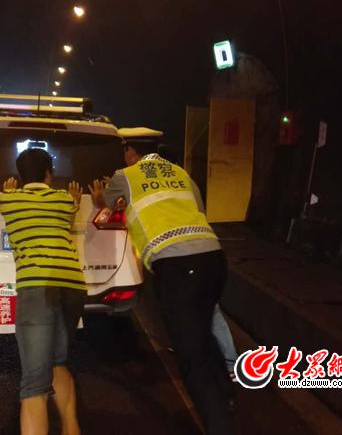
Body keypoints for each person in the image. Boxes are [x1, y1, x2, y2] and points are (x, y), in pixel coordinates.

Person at [89, 129, 235, 435]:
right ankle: (226, 395)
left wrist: (98, 196)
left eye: (125, 151)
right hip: (214, 259)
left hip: (177, 267)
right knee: (203, 332)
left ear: (130, 152)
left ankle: (219, 424)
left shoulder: (126, 175)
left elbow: (107, 202)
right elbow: (198, 210)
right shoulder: (180, 173)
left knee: (191, 355)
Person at [0, 148, 85, 435]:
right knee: (58, 362)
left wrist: (9, 190)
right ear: (49, 174)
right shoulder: (63, 199)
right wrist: (74, 200)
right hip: (72, 286)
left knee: (34, 382)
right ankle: (71, 428)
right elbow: (67, 221)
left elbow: (3, 203)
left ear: (20, 176)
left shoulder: (8, 200)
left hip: (36, 287)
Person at [157, 143, 239, 380]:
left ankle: (229, 362)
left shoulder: (163, 184)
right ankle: (219, 357)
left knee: (202, 309)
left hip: (183, 254)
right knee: (203, 307)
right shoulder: (186, 181)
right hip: (203, 251)